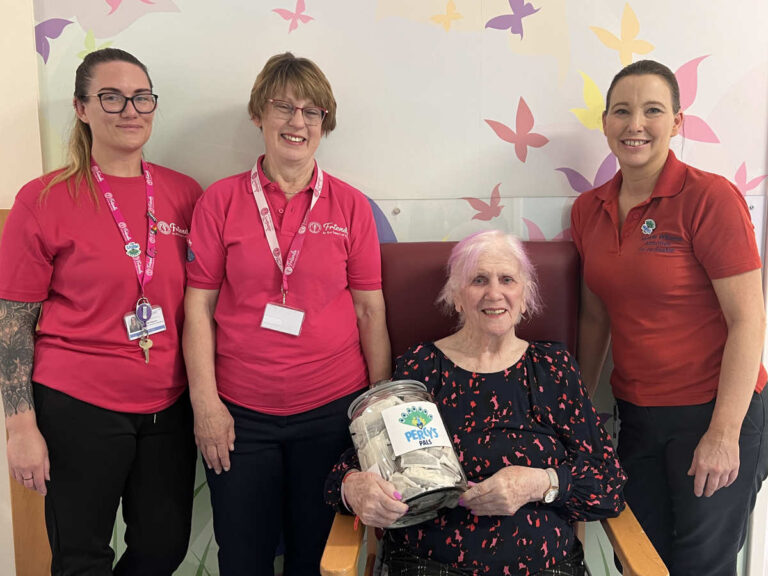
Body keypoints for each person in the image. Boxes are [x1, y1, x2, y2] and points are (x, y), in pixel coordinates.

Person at [183, 52, 391, 575]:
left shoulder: (350, 207)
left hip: (330, 413)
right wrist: (206, 404)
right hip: (240, 418)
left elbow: (370, 312)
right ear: (260, 115)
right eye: (284, 107)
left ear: (325, 123)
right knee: (243, 557)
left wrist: (377, 412)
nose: (298, 122)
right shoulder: (220, 202)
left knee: (317, 559)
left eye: (312, 111)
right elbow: (198, 306)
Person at [0, 48, 201, 574]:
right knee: (81, 556)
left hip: (168, 404)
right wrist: (19, 426)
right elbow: (13, 320)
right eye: (111, 97)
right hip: (77, 404)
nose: (129, 109)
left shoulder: (184, 194)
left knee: (163, 548)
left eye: (141, 97)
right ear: (82, 108)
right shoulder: (44, 198)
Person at [326, 231, 626, 575]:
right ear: (456, 297)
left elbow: (608, 483)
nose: (494, 293)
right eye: (478, 280)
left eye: (507, 279)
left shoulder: (553, 369)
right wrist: (355, 488)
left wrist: (538, 483)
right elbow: (351, 467)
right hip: (430, 565)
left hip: (544, 567)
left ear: (525, 296)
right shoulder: (422, 368)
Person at [571, 59, 768, 575]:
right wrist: (580, 410)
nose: (635, 125)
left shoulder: (710, 198)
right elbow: (595, 319)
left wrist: (724, 434)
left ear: (677, 122)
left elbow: (749, 320)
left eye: (653, 110)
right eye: (622, 111)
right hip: (637, 414)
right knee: (636, 558)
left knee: (700, 565)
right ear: (606, 122)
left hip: (714, 410)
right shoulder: (587, 209)